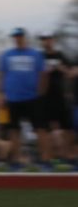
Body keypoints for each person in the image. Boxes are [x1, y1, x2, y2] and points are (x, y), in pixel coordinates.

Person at [0, 27, 46, 171]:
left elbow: (43, 74)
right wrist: (1, 94)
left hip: (32, 98)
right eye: (15, 37)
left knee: (40, 130)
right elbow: (1, 76)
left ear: (25, 37)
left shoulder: (35, 54)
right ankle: (16, 161)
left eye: (19, 36)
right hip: (12, 99)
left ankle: (43, 161)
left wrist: (40, 92)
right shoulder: (6, 55)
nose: (17, 39)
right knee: (13, 131)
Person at [37, 31, 73, 169]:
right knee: (44, 130)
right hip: (44, 97)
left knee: (67, 128)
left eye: (48, 39)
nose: (46, 42)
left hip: (60, 96)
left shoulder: (60, 55)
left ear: (53, 40)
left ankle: (69, 158)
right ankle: (47, 160)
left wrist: (60, 68)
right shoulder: (39, 56)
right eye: (43, 39)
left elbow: (71, 72)